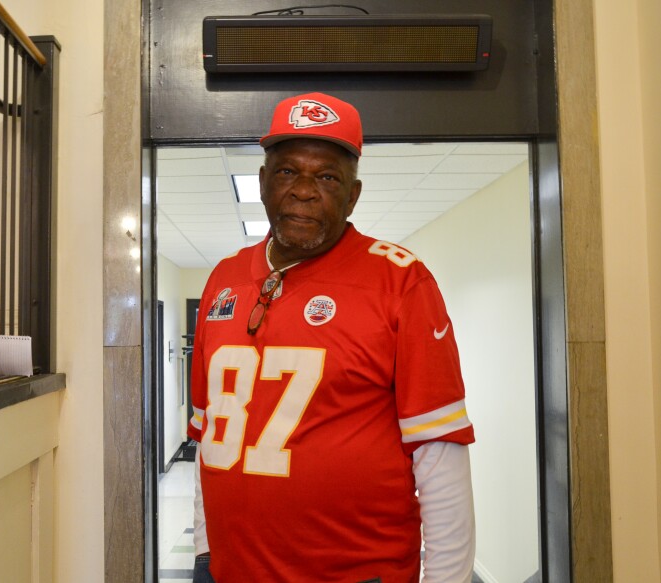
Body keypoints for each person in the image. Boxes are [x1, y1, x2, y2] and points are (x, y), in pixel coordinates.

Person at [188, 92, 475, 583]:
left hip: (357, 573)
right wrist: (203, 550)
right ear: (262, 182)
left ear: (353, 194)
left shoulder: (402, 282)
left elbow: (439, 451)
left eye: (326, 176)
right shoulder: (223, 278)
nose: (303, 190)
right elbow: (210, 435)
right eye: (286, 172)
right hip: (230, 570)